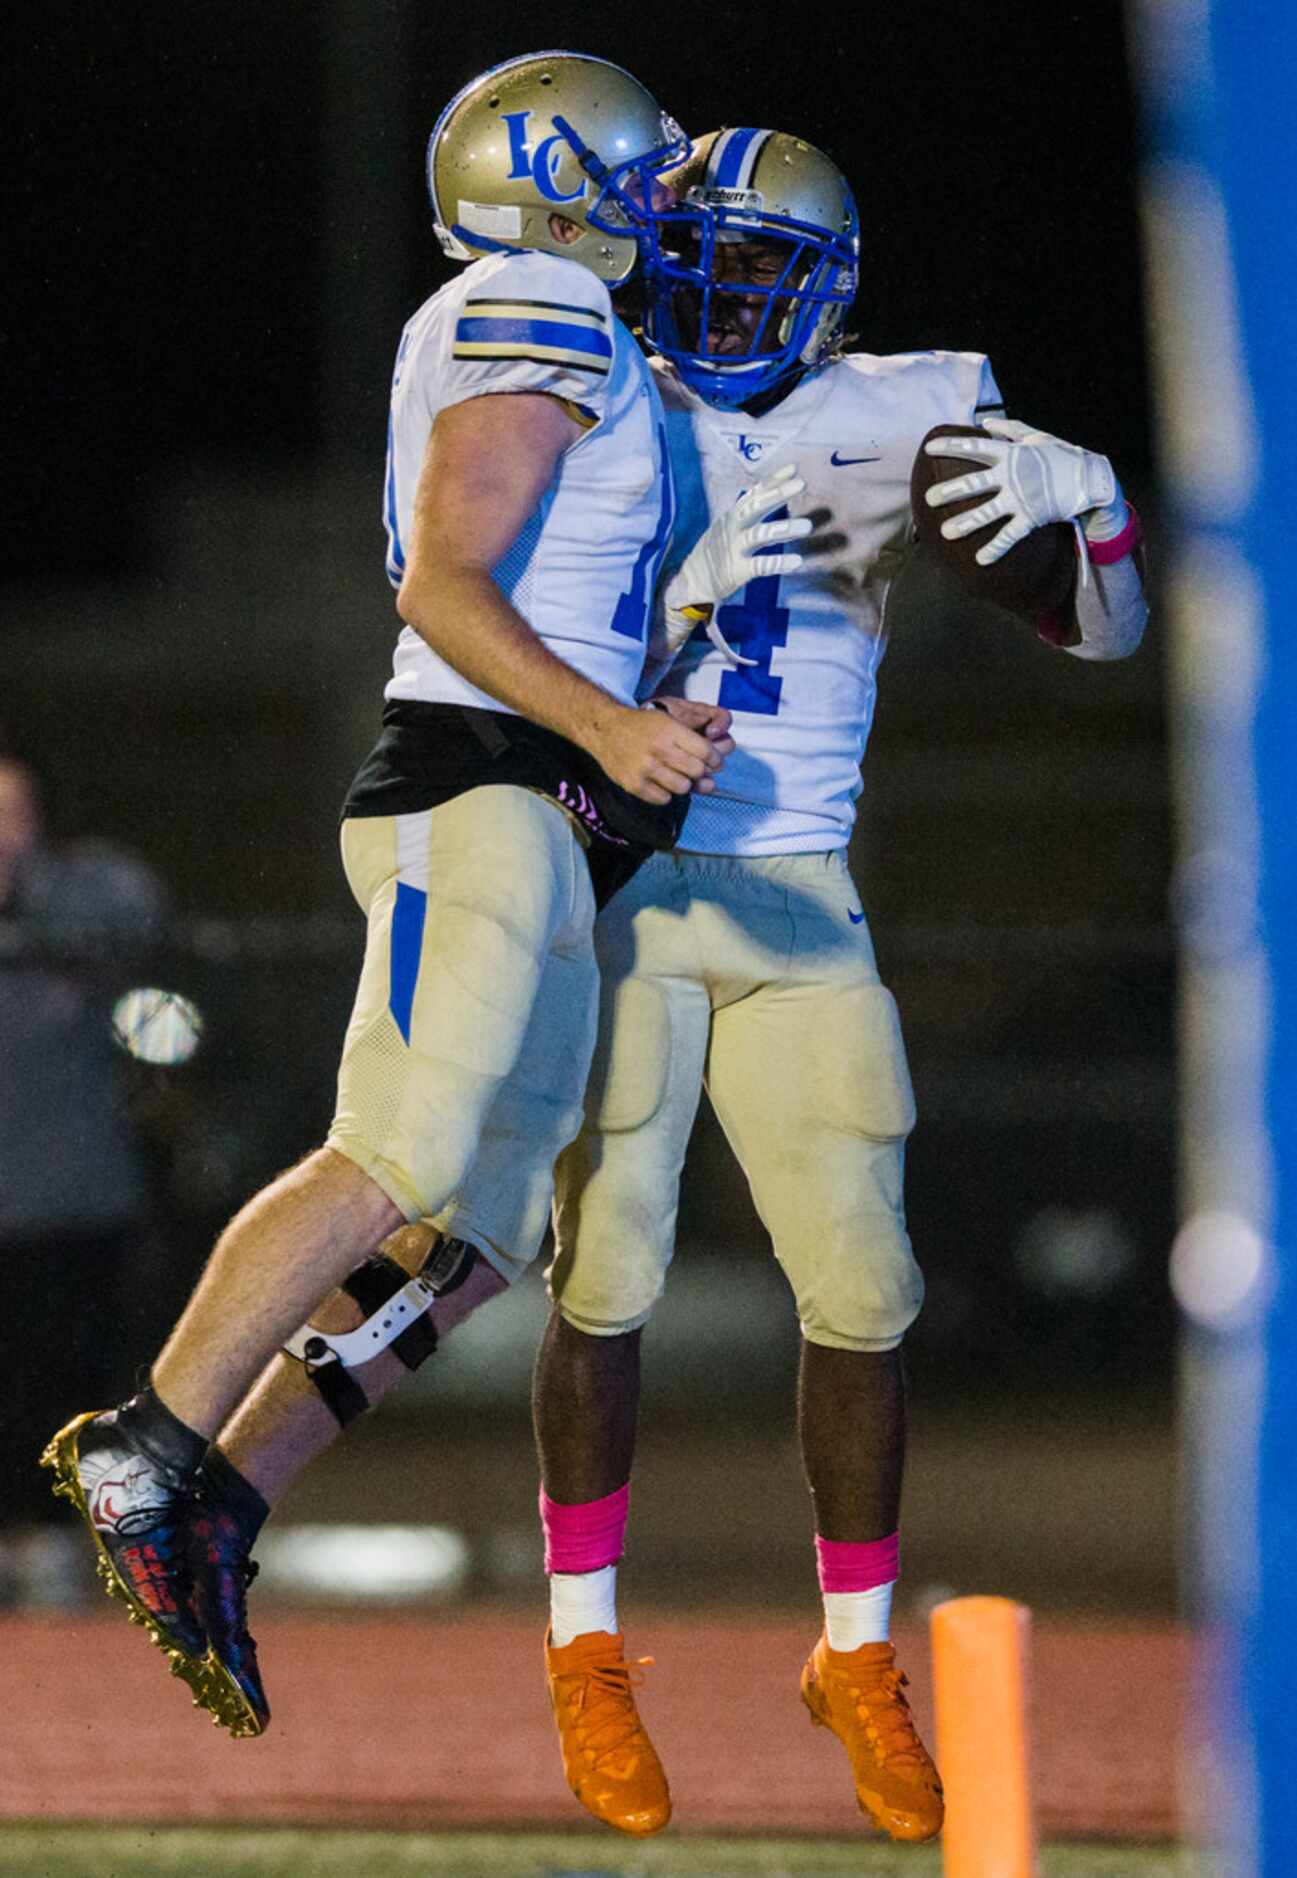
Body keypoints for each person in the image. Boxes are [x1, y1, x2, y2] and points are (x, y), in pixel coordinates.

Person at [57, 123, 1150, 1847]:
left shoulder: (902, 402)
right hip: (603, 848)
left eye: (754, 268)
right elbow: (463, 562)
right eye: (694, 252)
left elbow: (1100, 631)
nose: (713, 294)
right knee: (560, 1249)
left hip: (787, 878)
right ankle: (531, 1624)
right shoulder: (587, 356)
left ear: (832, 287)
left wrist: (1092, 533)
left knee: (803, 1271)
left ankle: (842, 1652)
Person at [40, 51, 774, 1734]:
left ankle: (227, 1493)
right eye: (641, 164)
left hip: (541, 787)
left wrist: (635, 712)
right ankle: (151, 1445)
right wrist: (606, 724)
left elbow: (532, 580)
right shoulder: (536, 299)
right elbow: (440, 575)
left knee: (486, 1228)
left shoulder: (580, 330)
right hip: (479, 782)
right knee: (399, 1148)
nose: (667, 188)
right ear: (553, 180)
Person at [0, 752, 170, 1605]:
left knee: (67, 1383)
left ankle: (56, 1550)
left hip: (68, 1208)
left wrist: (23, 883)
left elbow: (138, 908)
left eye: (12, 815)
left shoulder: (78, 895)